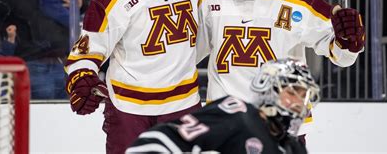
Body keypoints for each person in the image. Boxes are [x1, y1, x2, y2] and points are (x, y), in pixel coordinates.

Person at [64, 0, 206, 153]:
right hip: (129, 108)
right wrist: (82, 75)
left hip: (183, 104)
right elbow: (90, 45)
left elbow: (211, 23)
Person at [196, 0, 365, 134]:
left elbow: (342, 57)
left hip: (280, 121)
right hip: (226, 120)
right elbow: (192, 51)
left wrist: (349, 41)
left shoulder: (299, 2)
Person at [127, 58, 319, 154]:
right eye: (292, 92)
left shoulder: (294, 148)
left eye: (304, 96)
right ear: (269, 90)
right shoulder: (238, 114)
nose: (298, 103)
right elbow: (156, 141)